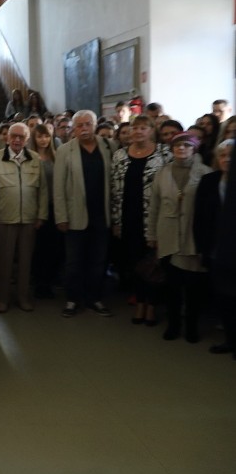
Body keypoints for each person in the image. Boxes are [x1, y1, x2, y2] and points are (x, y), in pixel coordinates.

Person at [147, 132, 211, 342]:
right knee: (171, 286)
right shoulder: (162, 173)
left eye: (186, 145)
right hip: (168, 237)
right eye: (177, 146)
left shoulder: (205, 174)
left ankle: (191, 326)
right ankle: (174, 325)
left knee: (193, 288)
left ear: (194, 148)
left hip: (193, 239)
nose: (181, 149)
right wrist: (152, 234)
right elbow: (154, 206)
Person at [111, 115, 172, 325]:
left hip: (154, 217)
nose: (138, 132)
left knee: (153, 263)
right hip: (129, 217)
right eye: (135, 128)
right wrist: (117, 221)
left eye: (143, 128)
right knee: (135, 262)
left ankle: (151, 306)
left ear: (151, 130)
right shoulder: (120, 155)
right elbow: (115, 190)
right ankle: (139, 302)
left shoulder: (164, 153)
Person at [54, 110, 114, 318]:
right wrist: (61, 216)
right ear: (73, 128)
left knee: (98, 261)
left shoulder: (108, 146)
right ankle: (72, 299)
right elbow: (58, 187)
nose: (84, 128)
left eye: (88, 124)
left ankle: (94, 298)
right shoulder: (65, 151)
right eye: (79, 125)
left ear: (95, 125)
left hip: (101, 214)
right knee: (74, 261)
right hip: (75, 215)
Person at [0, 123, 47, 312]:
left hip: (29, 219)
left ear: (27, 139)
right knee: (4, 261)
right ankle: (3, 298)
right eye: (14, 136)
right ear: (7, 138)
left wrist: (41, 215)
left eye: (21, 137)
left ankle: (23, 297)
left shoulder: (35, 159)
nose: (17, 140)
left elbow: (42, 190)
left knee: (26, 261)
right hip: (5, 219)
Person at [194, 139, 235, 359]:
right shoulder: (209, 181)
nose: (227, 159)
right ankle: (229, 339)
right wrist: (201, 247)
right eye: (222, 155)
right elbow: (200, 218)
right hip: (217, 251)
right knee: (223, 298)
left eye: (231, 155)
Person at [30, 124, 61, 298]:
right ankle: (39, 282)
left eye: (46, 136)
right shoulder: (31, 158)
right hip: (36, 208)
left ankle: (49, 281)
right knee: (38, 248)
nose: (43, 140)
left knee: (53, 247)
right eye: (40, 136)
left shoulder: (56, 156)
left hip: (54, 207)